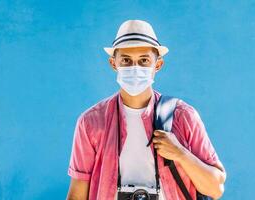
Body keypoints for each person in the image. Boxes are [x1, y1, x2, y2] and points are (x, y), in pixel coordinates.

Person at [66, 19, 226, 200]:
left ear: (157, 65)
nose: (135, 68)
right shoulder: (91, 122)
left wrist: (180, 153)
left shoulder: (183, 117)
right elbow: (77, 195)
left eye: (144, 60)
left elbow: (215, 188)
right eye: (126, 60)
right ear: (113, 64)